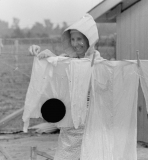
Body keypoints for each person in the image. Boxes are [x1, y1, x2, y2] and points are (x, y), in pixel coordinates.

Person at [29, 13, 103, 160]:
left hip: (92, 121)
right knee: (66, 154)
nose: (76, 44)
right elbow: (56, 65)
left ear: (90, 40)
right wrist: (44, 55)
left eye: (80, 39)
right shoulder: (68, 60)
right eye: (73, 39)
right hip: (71, 122)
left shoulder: (99, 62)